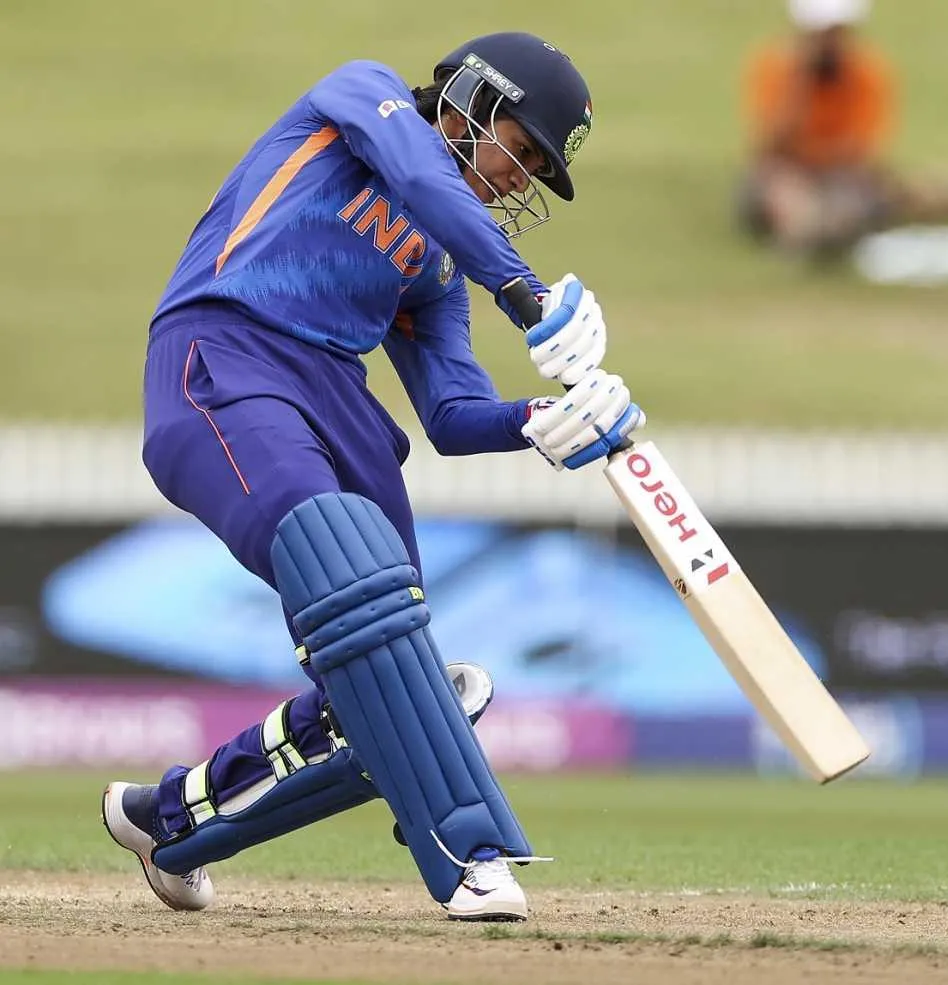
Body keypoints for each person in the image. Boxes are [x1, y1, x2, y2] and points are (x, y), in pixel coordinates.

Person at [100, 31, 643, 923]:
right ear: (473, 95)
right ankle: (470, 854)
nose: (520, 179)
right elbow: (423, 178)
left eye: (540, 170)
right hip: (225, 350)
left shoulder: (434, 267)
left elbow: (452, 418)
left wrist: (542, 423)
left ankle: (170, 819)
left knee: (398, 686)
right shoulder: (359, 99)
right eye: (524, 148)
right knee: (360, 601)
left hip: (334, 400)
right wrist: (528, 295)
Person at [739, 0, 948, 256]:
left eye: (837, 33)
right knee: (779, 186)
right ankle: (809, 228)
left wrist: (820, 159)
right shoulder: (773, 66)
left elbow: (860, 149)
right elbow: (769, 147)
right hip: (789, 172)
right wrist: (799, 85)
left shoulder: (867, 71)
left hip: (842, 173)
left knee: (859, 195)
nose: (830, 43)